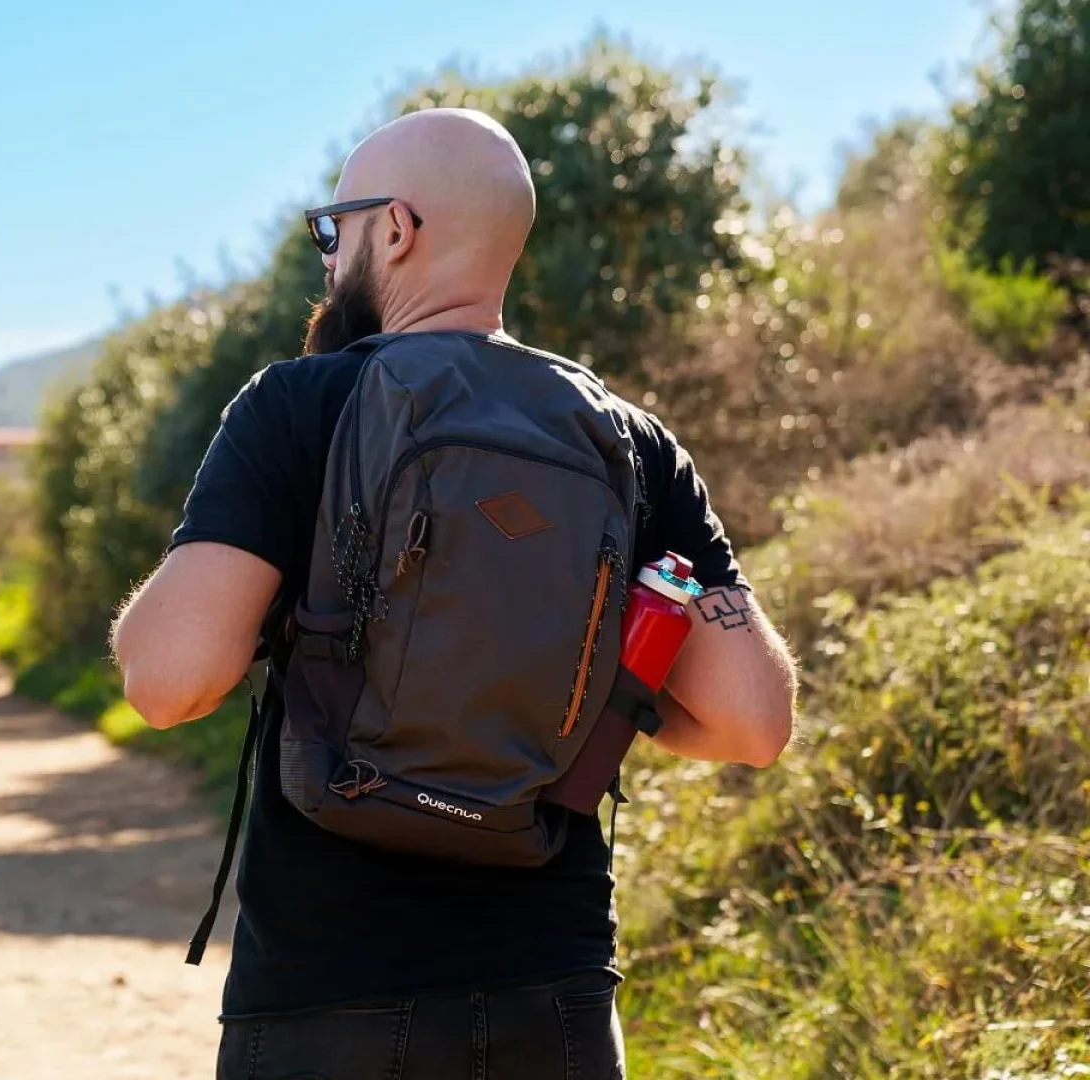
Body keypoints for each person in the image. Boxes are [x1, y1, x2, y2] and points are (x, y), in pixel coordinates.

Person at [110, 108, 798, 1080]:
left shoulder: (298, 405)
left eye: (332, 229)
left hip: (327, 993)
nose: (328, 255)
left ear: (394, 228)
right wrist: (596, 699)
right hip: (550, 994)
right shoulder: (628, 443)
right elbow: (753, 724)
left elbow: (168, 682)